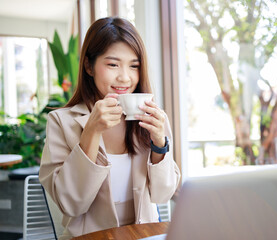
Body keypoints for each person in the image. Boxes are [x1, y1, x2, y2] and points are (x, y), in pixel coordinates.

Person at [39, 17, 181, 239]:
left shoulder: (153, 120)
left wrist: (160, 144)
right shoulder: (61, 122)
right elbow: (70, 204)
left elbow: (163, 195)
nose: (125, 77)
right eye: (113, 64)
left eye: (134, 66)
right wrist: (92, 132)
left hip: (144, 235)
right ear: (89, 66)